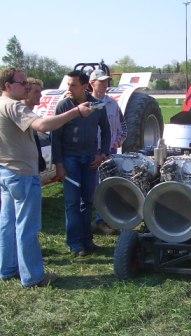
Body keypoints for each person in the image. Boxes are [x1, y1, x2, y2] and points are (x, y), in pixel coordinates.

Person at [0, 68, 94, 287]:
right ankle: (33, 277)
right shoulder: (13, 105)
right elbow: (42, 125)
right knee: (27, 228)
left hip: (6, 173)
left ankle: (7, 269)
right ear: (7, 85)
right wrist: (76, 112)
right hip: (22, 175)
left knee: (7, 224)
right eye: (22, 83)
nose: (26, 86)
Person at [52, 70, 111, 257]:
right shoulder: (63, 105)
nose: (68, 88)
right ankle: (75, 244)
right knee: (72, 203)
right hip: (70, 160)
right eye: (67, 84)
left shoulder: (97, 105)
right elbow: (56, 137)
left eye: (73, 85)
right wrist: (59, 164)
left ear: (85, 86)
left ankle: (87, 240)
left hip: (90, 160)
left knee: (88, 201)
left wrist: (102, 154)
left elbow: (106, 130)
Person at [89, 69, 127, 235]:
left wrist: (119, 139)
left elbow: (123, 126)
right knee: (92, 186)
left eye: (106, 82)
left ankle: (104, 220)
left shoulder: (112, 104)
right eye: (101, 82)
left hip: (109, 151)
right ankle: (93, 221)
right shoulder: (85, 104)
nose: (105, 85)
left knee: (108, 185)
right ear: (92, 83)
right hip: (89, 151)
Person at [22, 78, 46, 172]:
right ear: (26, 92)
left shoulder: (31, 115)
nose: (40, 95)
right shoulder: (22, 115)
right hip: (23, 171)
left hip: (32, 168)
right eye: (36, 91)